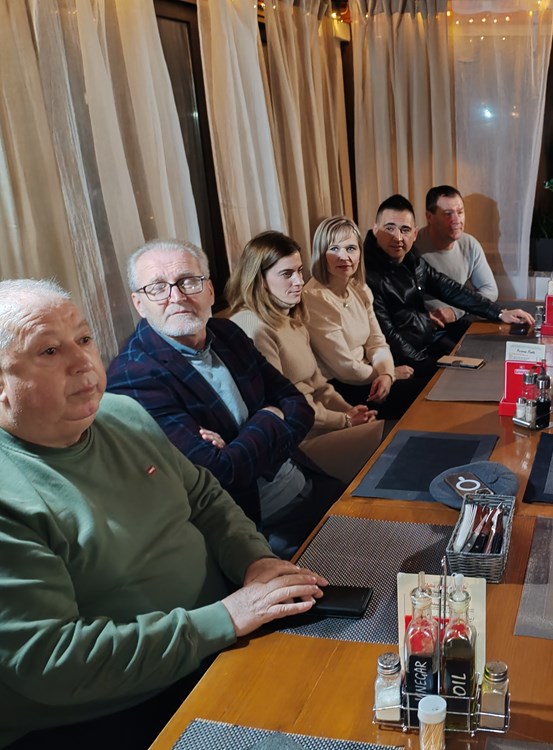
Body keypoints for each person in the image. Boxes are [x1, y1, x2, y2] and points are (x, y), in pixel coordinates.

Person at [0, 279, 328, 749]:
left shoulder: (123, 414)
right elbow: (52, 661)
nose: (83, 362)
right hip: (113, 707)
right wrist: (224, 618)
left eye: (84, 338)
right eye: (49, 351)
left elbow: (205, 497)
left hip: (220, 641)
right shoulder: (10, 493)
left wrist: (254, 561)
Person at [106, 239, 334, 559]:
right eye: (157, 288)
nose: (177, 296)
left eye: (189, 281)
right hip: (257, 529)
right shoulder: (133, 377)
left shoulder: (228, 333)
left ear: (210, 291)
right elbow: (221, 475)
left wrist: (242, 445)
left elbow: (298, 405)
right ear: (139, 304)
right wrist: (270, 416)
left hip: (305, 480)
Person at [226, 230, 383, 483]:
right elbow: (284, 406)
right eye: (287, 274)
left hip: (321, 423)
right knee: (392, 442)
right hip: (298, 439)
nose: (299, 281)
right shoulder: (254, 327)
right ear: (260, 279)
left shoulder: (291, 316)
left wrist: (350, 411)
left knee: (398, 435)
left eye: (299, 271)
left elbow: (319, 385)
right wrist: (344, 420)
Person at [364, 194, 533, 374]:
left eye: (405, 229)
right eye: (389, 228)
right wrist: (431, 368)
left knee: (492, 358)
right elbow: (388, 337)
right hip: (401, 360)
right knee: (468, 372)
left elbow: (450, 289)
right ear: (375, 230)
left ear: (414, 233)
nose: (397, 237)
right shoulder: (367, 274)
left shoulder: (412, 260)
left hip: (427, 341)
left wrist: (499, 313)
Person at [303, 216, 422, 421]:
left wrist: (386, 374)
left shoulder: (359, 288)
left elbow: (377, 342)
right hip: (340, 388)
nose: (344, 257)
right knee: (422, 394)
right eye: (334, 249)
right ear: (321, 254)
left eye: (351, 248)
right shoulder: (315, 297)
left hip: (370, 374)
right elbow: (345, 368)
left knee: (429, 383)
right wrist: (389, 375)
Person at [413, 185, 499, 332]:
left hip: (458, 322)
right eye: (448, 214)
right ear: (429, 217)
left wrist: (455, 311)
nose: (456, 220)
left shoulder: (469, 244)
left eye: (460, 212)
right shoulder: (413, 246)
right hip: (423, 327)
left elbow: (490, 290)